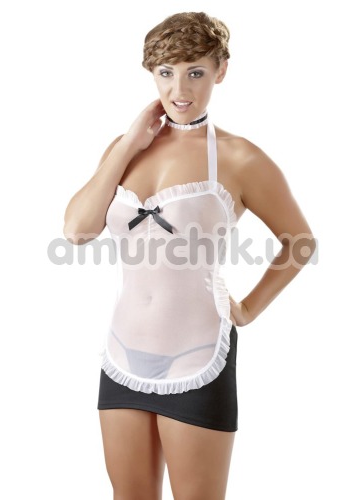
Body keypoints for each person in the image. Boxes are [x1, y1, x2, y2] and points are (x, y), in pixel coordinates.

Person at [63, 11, 316, 500]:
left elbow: (299, 241)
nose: (179, 90)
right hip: (122, 354)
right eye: (166, 73)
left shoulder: (240, 158)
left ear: (221, 71)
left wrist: (248, 309)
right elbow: (76, 231)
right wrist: (128, 144)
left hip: (198, 356)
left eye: (195, 72)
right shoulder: (125, 149)